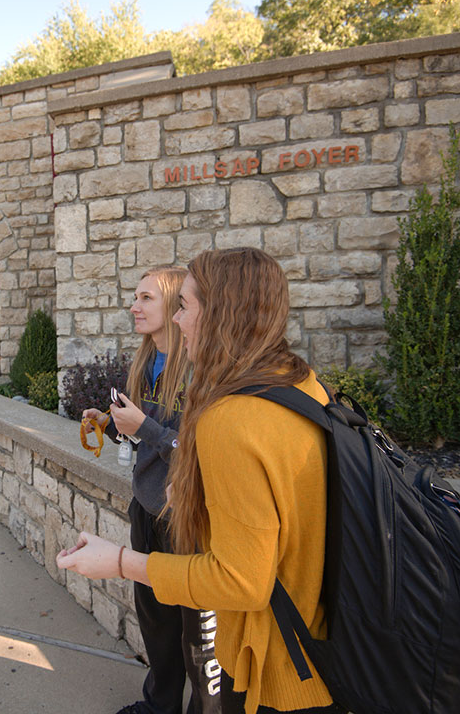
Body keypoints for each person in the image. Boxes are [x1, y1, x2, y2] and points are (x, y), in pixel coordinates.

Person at [58, 248, 338, 714]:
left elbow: (239, 580)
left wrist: (121, 562)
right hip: (307, 645)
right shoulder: (301, 384)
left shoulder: (232, 415)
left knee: (198, 645)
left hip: (276, 667)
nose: (177, 319)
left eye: (182, 306)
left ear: (219, 313)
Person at [82, 266, 219, 714]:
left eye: (145, 299)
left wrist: (145, 426)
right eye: (134, 298)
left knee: (198, 634)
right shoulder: (145, 360)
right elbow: (145, 439)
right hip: (146, 508)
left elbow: (194, 456)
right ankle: (160, 707)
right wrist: (111, 425)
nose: (134, 307)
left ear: (174, 303)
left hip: (187, 517)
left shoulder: (201, 370)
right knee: (156, 624)